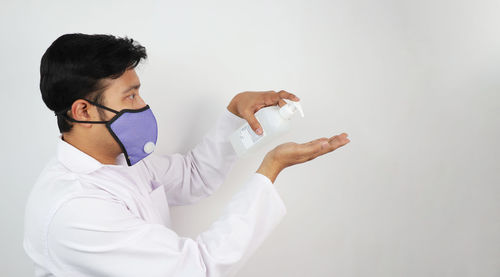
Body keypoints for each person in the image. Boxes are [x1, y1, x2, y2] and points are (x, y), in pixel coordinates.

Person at [23, 33, 350, 277]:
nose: (143, 106)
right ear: (83, 110)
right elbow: (197, 268)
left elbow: (195, 174)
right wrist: (271, 168)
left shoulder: (121, 161)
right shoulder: (75, 211)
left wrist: (235, 113)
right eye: (131, 96)